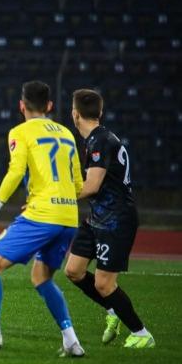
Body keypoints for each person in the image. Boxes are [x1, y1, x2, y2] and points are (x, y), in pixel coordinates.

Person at [0, 81, 85, 357]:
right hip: (69, 217)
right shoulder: (67, 134)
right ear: (49, 106)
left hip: (42, 214)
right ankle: (71, 341)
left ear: (21, 106)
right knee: (41, 278)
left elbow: (15, 172)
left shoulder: (20, 132)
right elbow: (77, 184)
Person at [64, 89, 154, 349]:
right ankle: (113, 310)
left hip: (116, 219)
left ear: (75, 114)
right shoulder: (97, 138)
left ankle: (141, 333)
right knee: (74, 271)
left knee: (104, 283)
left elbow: (91, 186)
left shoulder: (100, 141)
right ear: (100, 112)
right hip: (98, 217)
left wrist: (58, 196)